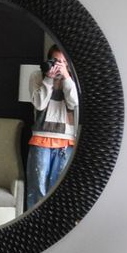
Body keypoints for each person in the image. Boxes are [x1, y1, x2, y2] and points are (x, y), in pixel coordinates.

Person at [26, 44, 78, 209]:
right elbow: (39, 104)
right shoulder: (37, 75)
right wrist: (49, 78)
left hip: (66, 140)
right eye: (56, 60)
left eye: (63, 61)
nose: (59, 65)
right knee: (37, 188)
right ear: (49, 59)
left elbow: (74, 102)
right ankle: (33, 227)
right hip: (41, 138)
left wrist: (66, 78)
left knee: (58, 189)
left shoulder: (73, 78)